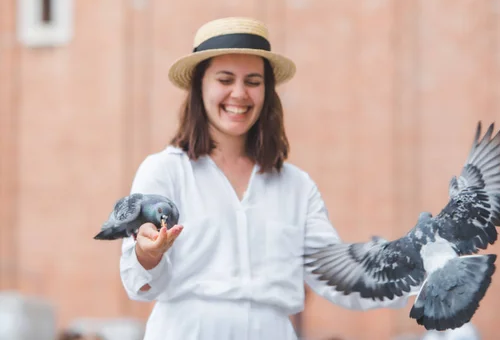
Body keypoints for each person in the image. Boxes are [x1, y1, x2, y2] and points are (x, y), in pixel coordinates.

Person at [119, 17, 411, 339]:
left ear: (267, 91)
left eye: (253, 81)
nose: (239, 93)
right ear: (199, 86)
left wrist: (424, 270)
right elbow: (140, 285)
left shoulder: (296, 186)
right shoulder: (164, 171)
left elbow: (339, 275)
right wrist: (148, 253)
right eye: (225, 79)